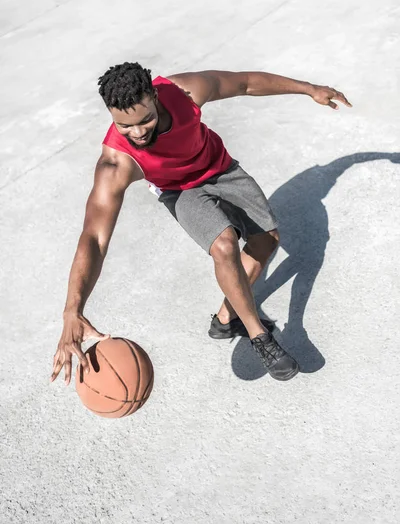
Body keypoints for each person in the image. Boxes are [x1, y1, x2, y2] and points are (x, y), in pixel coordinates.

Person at [50, 63, 351, 385]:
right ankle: (259, 335)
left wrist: (309, 88)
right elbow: (94, 237)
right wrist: (73, 308)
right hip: (178, 190)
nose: (137, 133)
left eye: (145, 120)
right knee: (224, 244)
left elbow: (246, 82)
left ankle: (225, 318)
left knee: (267, 240)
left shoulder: (184, 93)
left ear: (155, 96)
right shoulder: (117, 162)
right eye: (125, 126)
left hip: (220, 168)